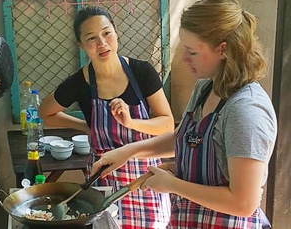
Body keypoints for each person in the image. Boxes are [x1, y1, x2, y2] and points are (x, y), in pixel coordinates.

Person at [91, 0, 277, 228]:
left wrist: (172, 184)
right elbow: (184, 137)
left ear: (223, 49)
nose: (183, 59)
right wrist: (127, 152)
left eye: (192, 52)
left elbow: (243, 203)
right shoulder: (206, 87)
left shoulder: (245, 111)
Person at [38, 6, 174, 228]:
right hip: (104, 176)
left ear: (116, 32)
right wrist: (87, 126)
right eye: (91, 38)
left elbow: (167, 124)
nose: (102, 43)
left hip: (145, 175)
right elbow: (46, 113)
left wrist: (131, 123)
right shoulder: (78, 83)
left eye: (106, 32)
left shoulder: (142, 72)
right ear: (81, 45)